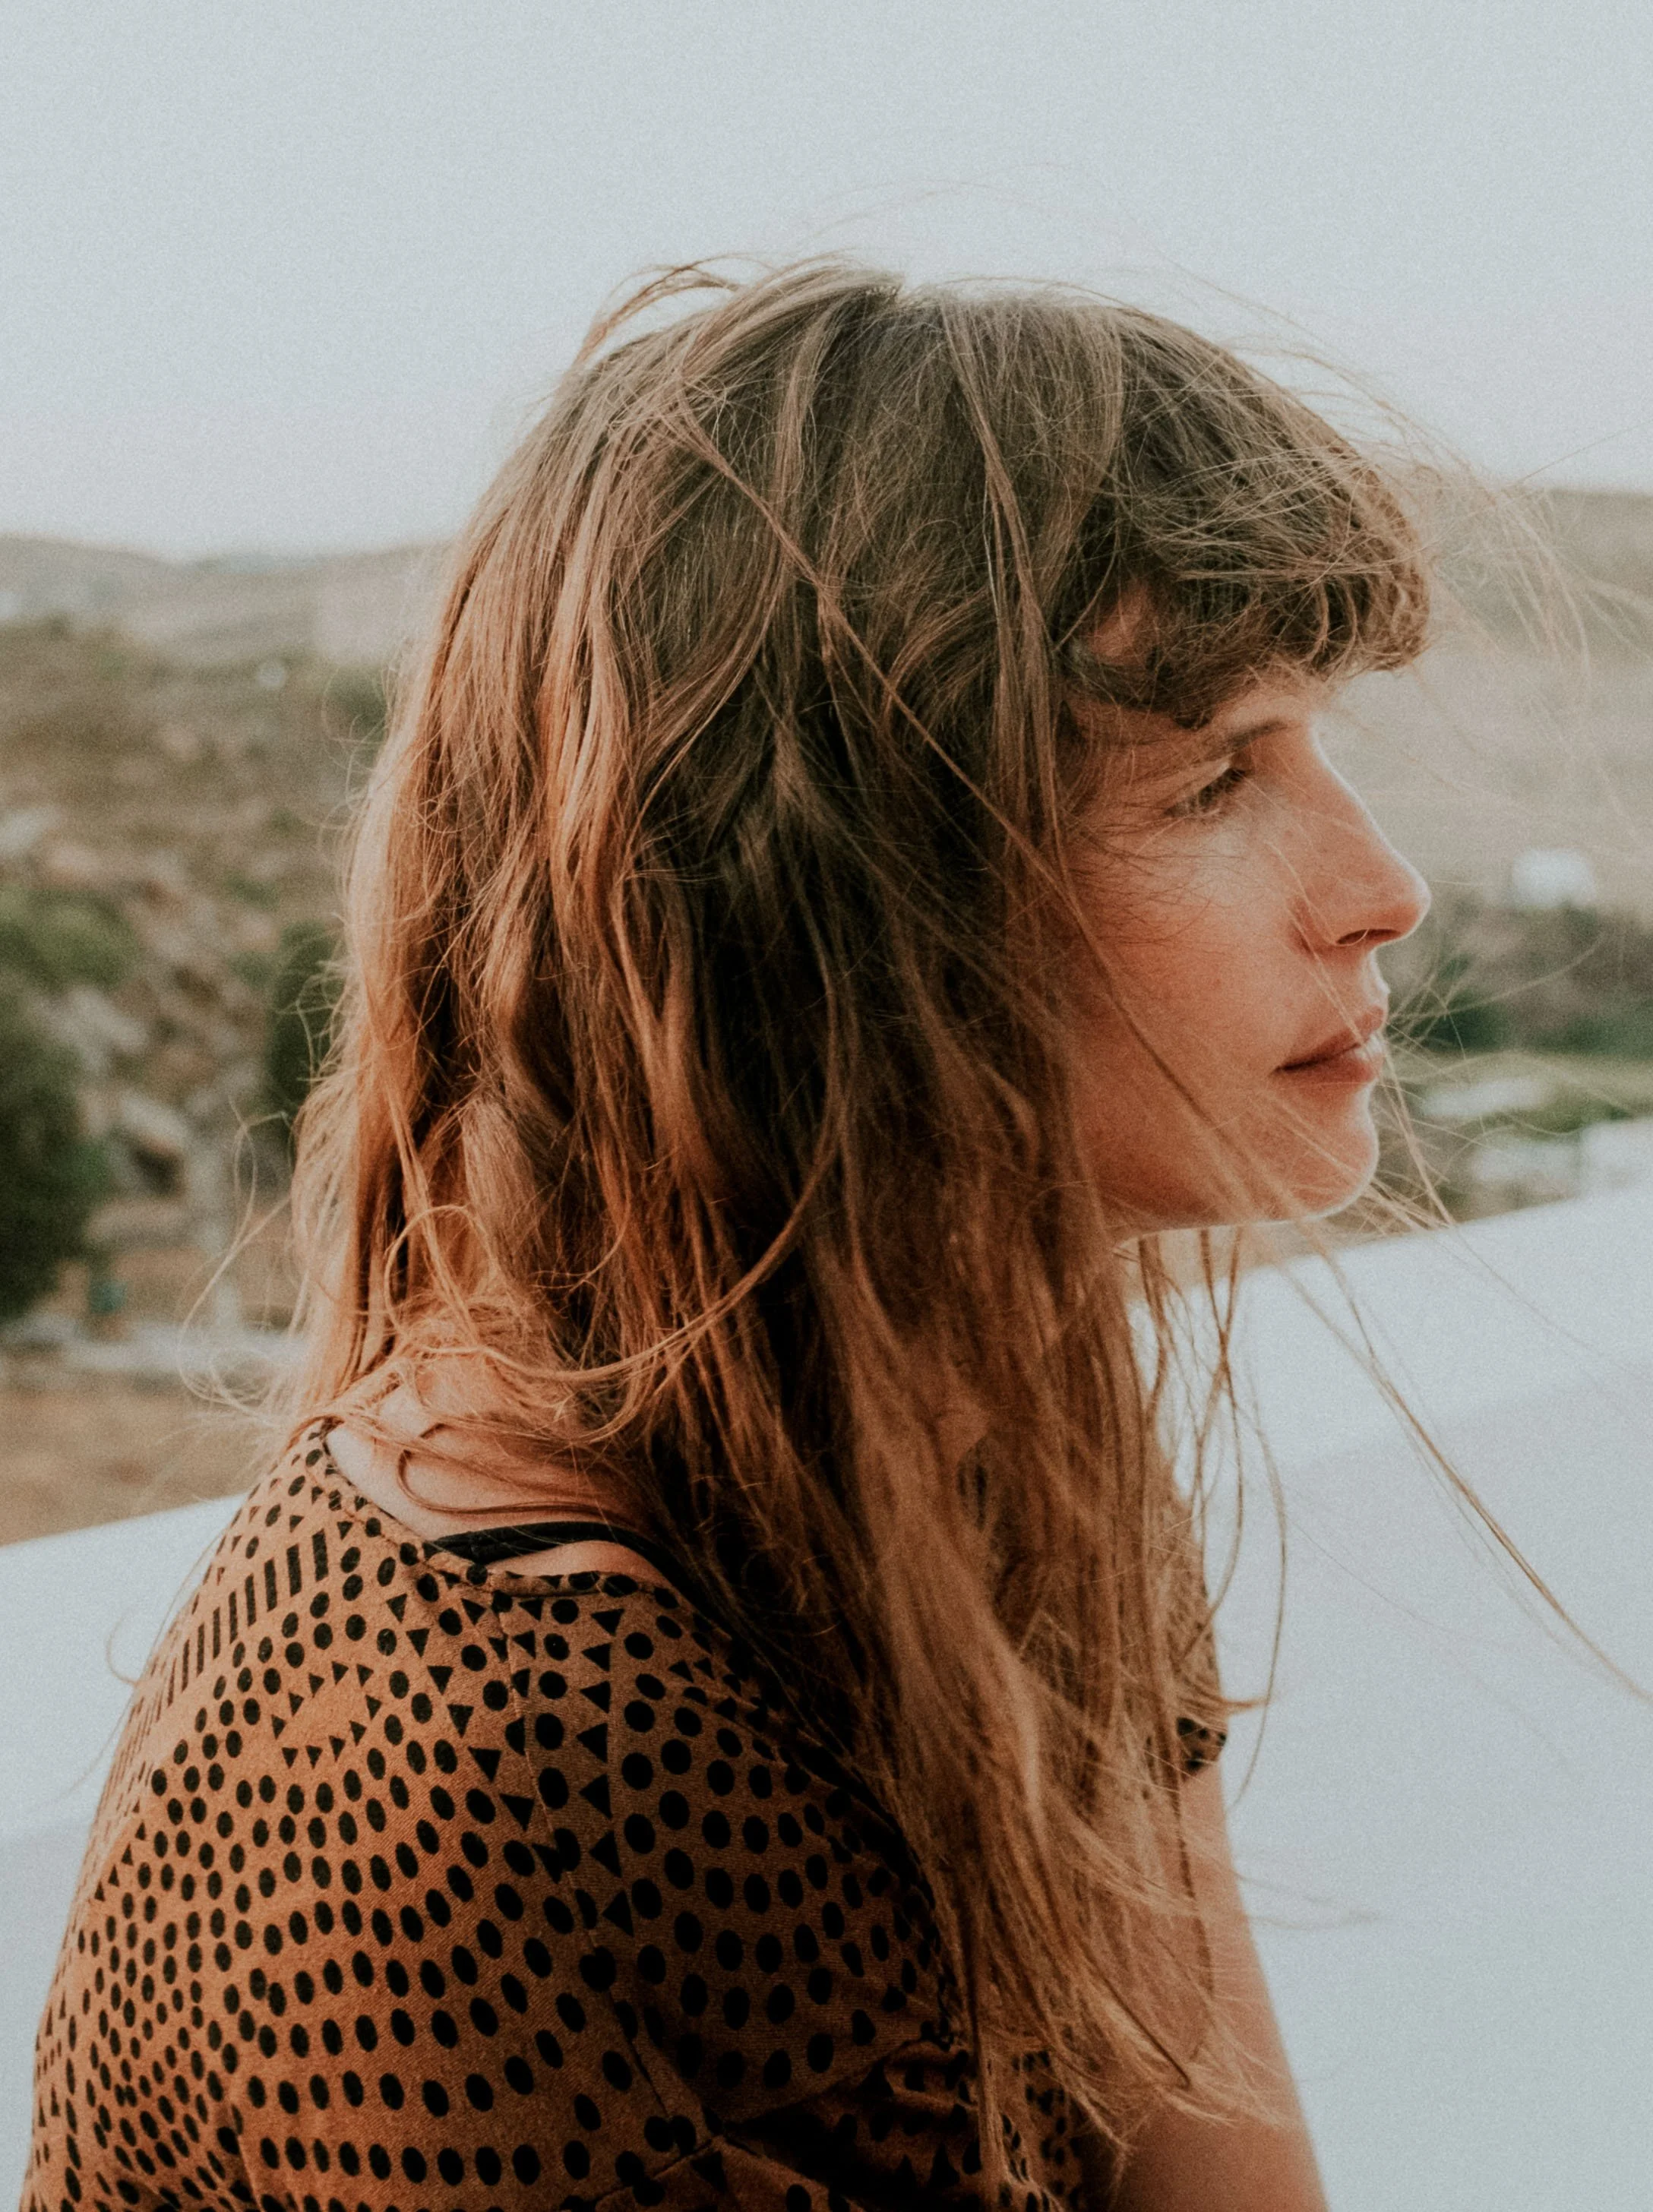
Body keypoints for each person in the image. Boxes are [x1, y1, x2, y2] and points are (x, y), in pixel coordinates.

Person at [27, 263, 1433, 2212]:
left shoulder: (998, 1423)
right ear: (826, 906)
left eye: (1317, 742)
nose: (1382, 889)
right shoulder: (470, 1760)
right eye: (1211, 776)